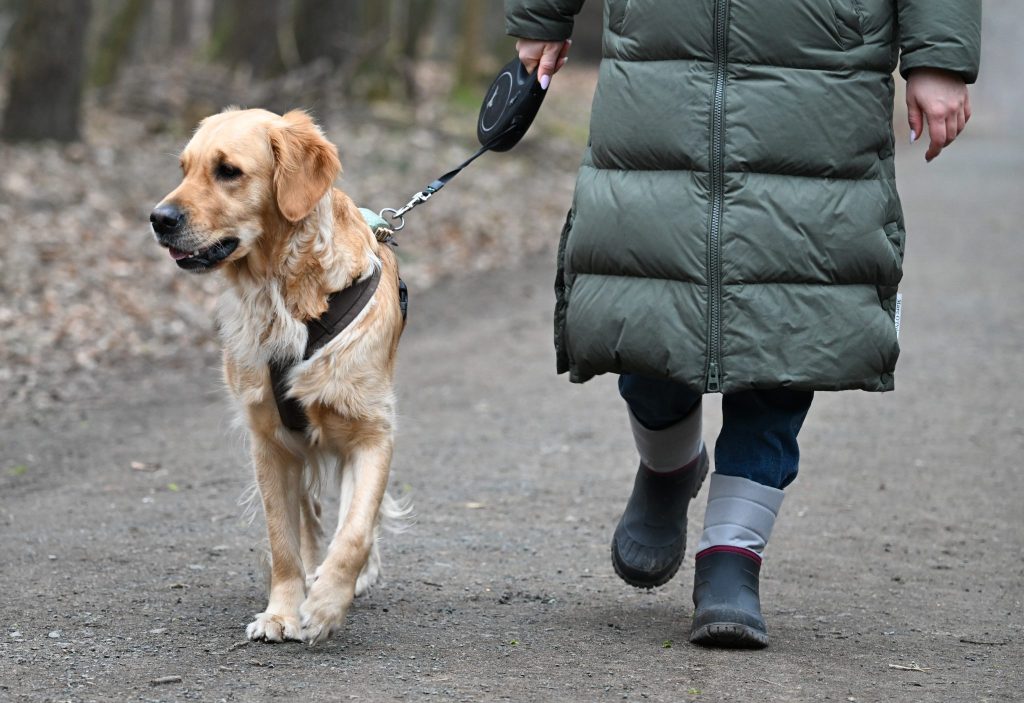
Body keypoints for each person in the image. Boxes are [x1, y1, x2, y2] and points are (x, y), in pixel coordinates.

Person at [504, 0, 981, 648]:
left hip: (824, 60)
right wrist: (542, 13)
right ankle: (669, 464)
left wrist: (941, 55)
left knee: (789, 314)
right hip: (660, 52)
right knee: (645, 302)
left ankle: (733, 554)